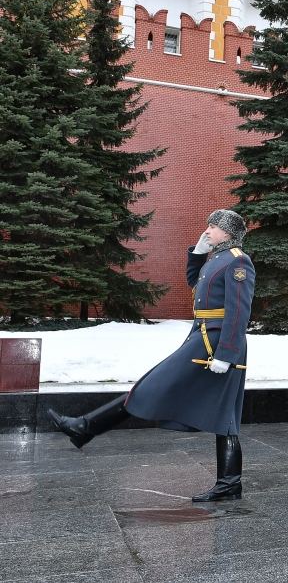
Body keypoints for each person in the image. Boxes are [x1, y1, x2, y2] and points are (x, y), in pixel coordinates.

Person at [48, 209, 256, 501]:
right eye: (207, 225)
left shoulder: (238, 261)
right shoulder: (216, 259)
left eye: (213, 227)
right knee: (220, 412)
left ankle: (85, 427)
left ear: (229, 233)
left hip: (216, 344)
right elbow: (194, 283)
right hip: (203, 338)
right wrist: (197, 253)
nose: (207, 230)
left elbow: (239, 311)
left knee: (156, 387)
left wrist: (227, 354)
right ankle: (230, 483)